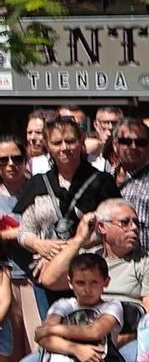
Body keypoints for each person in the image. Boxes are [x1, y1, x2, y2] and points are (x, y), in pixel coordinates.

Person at [13, 116, 121, 295]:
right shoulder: (37, 183)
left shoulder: (102, 182)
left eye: (70, 141)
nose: (64, 148)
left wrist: (67, 248)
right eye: (57, 142)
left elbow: (111, 228)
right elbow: (25, 231)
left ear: (81, 142)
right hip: (45, 274)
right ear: (47, 145)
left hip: (90, 274)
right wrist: (39, 244)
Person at [38, 201, 149, 337]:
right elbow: (49, 280)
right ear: (101, 227)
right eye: (125, 222)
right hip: (78, 330)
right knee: (29, 360)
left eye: (136, 222)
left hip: (125, 336)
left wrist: (112, 344)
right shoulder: (88, 258)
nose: (134, 227)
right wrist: (78, 239)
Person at [0, 135, 32, 362]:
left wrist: (11, 233)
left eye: (16, 158)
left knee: (33, 349)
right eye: (3, 160)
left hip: (34, 277)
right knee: (9, 354)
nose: (10, 164)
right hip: (4, 278)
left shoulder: (35, 190)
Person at [107, 118, 149, 261]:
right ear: (115, 145)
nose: (133, 147)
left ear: (147, 147)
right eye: (126, 142)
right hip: (112, 270)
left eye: (140, 143)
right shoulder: (104, 178)